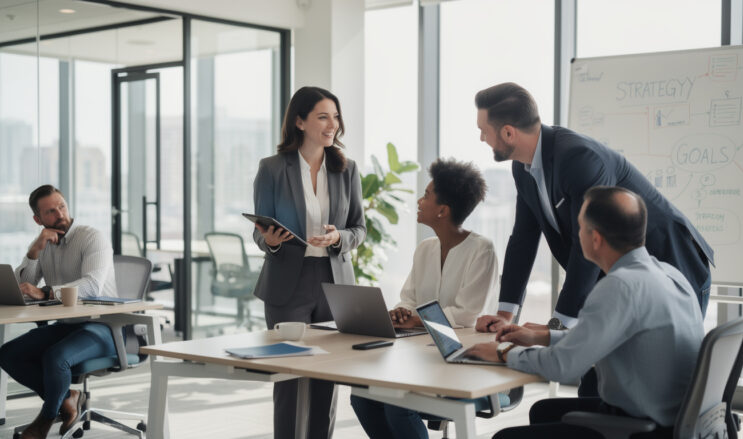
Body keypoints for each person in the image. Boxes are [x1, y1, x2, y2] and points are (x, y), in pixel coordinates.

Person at [473, 82, 712, 395]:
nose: (481, 138)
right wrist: (505, 316)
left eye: (484, 130)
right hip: (627, 277)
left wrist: (557, 326)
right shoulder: (523, 168)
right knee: (597, 382)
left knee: (642, 384)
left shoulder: (578, 157)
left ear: (508, 133)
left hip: (671, 264)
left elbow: (586, 245)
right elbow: (523, 239)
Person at [466, 186, 705, 438]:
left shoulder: (619, 286)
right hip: (676, 419)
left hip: (643, 427)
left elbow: (562, 366)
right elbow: (596, 336)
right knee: (543, 410)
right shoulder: (668, 273)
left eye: (579, 227)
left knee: (503, 437)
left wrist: (503, 353)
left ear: (596, 239)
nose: (576, 235)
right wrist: (541, 336)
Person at [351, 158, 499, 439]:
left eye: (427, 195)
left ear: (443, 210)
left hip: (466, 364)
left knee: (398, 405)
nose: (420, 201)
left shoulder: (482, 250)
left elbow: (467, 315)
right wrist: (402, 313)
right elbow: (408, 298)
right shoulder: (425, 248)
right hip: (421, 359)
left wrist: (416, 320)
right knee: (362, 396)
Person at [251, 86, 365, 439]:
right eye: (323, 117)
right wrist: (269, 240)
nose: (333, 125)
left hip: (334, 283)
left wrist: (337, 237)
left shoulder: (346, 169)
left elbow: (359, 229)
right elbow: (259, 230)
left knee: (326, 378)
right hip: (288, 283)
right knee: (289, 377)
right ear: (299, 122)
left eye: (336, 117)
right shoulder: (272, 168)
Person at [0, 185, 118, 439]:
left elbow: (91, 286)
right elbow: (24, 287)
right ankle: (68, 398)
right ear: (38, 219)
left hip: (104, 326)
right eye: (50, 212)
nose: (60, 214)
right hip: (67, 325)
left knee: (55, 357)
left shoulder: (91, 237)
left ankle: (45, 420)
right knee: (8, 354)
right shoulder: (46, 242)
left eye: (61, 206)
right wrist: (34, 251)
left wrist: (46, 293)